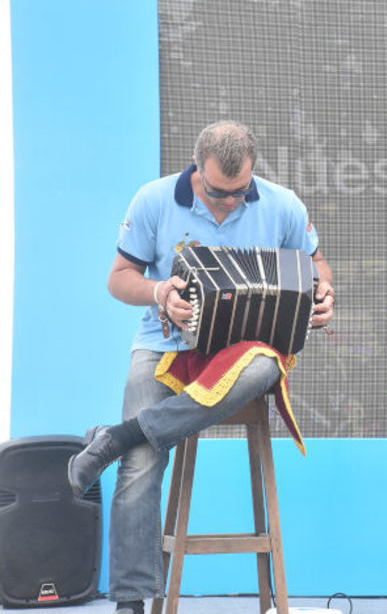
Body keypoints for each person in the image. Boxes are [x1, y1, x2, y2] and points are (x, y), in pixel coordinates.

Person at [67, 121, 335, 614]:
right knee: (141, 463)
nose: (229, 202)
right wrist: (159, 292)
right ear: (196, 169)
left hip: (243, 350)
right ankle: (130, 603)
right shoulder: (152, 200)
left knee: (265, 367)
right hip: (164, 345)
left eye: (239, 192)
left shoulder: (284, 205)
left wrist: (323, 294)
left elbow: (317, 266)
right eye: (217, 192)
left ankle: (119, 435)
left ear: (253, 174)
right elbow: (119, 279)